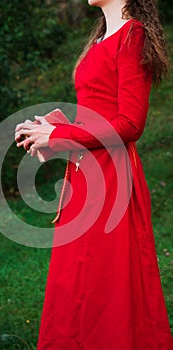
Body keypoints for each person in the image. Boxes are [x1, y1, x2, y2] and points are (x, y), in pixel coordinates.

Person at [15, 0, 173, 348]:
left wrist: (59, 136)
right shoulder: (102, 37)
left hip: (112, 176)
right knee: (76, 278)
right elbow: (96, 115)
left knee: (104, 278)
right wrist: (50, 131)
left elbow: (130, 124)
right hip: (85, 174)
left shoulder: (133, 36)